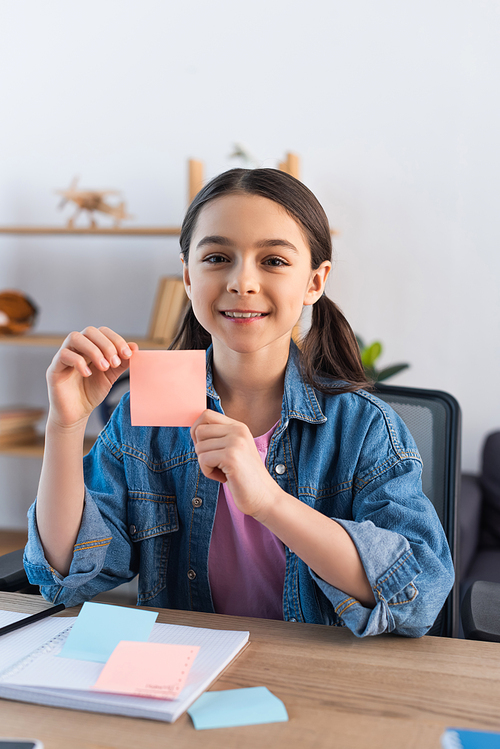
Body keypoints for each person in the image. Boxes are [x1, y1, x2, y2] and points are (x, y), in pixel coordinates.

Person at [24, 168, 454, 637]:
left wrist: (268, 500)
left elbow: (418, 596)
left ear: (315, 281)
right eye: (217, 257)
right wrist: (64, 427)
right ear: (188, 277)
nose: (241, 281)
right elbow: (67, 575)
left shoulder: (365, 428)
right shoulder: (146, 411)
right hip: (185, 672)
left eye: (272, 260)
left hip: (319, 680)